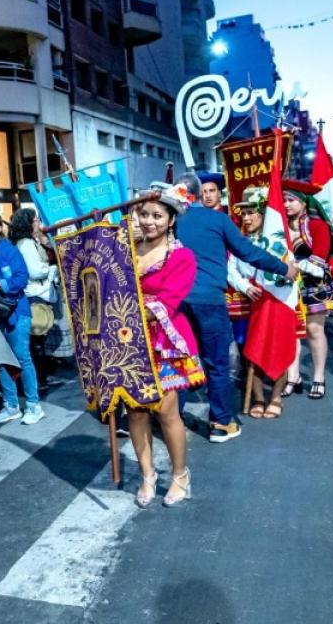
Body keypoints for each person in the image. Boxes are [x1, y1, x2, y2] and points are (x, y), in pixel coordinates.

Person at [171, 173, 297, 443]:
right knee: (217, 363)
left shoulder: (171, 219)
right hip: (209, 300)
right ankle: (220, 423)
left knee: (181, 361)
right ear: (198, 194)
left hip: (176, 301)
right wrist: (284, 267)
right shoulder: (217, 219)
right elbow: (248, 252)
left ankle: (172, 419)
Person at [131, 185, 203, 507]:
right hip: (128, 340)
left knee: (165, 411)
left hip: (163, 341)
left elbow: (168, 302)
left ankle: (179, 475)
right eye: (144, 214)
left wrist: (124, 310)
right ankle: (147, 475)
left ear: (171, 220)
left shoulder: (181, 257)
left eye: (157, 215)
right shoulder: (127, 251)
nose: (149, 221)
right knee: (135, 411)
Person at [226, 187, 292, 419]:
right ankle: (258, 398)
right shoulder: (239, 241)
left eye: (251, 213)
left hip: (277, 301)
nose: (246, 218)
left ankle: (276, 397)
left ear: (264, 214)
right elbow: (231, 270)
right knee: (250, 352)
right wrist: (245, 286)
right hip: (250, 304)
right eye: (243, 214)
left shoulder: (280, 241)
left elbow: (289, 269)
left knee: (279, 346)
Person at [0, 209, 45, 426]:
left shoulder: (8, 250)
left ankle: (34, 405)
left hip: (15, 311)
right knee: (2, 358)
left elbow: (21, 279)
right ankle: (11, 405)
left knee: (22, 357)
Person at [282, 181, 333, 401]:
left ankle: (318, 377)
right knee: (290, 331)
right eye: (283, 200)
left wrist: (291, 266)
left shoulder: (317, 225)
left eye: (291, 200)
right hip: (287, 284)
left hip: (313, 284)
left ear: (304, 202)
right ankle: (293, 376)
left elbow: (318, 261)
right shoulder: (279, 225)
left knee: (314, 329)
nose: (286, 205)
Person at [8, 207, 58, 383]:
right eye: (36, 220)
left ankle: (40, 377)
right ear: (29, 223)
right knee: (37, 337)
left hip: (33, 292)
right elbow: (35, 271)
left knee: (36, 339)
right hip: (35, 293)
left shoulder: (24, 242)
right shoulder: (26, 244)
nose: (38, 223)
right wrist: (51, 268)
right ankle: (40, 378)